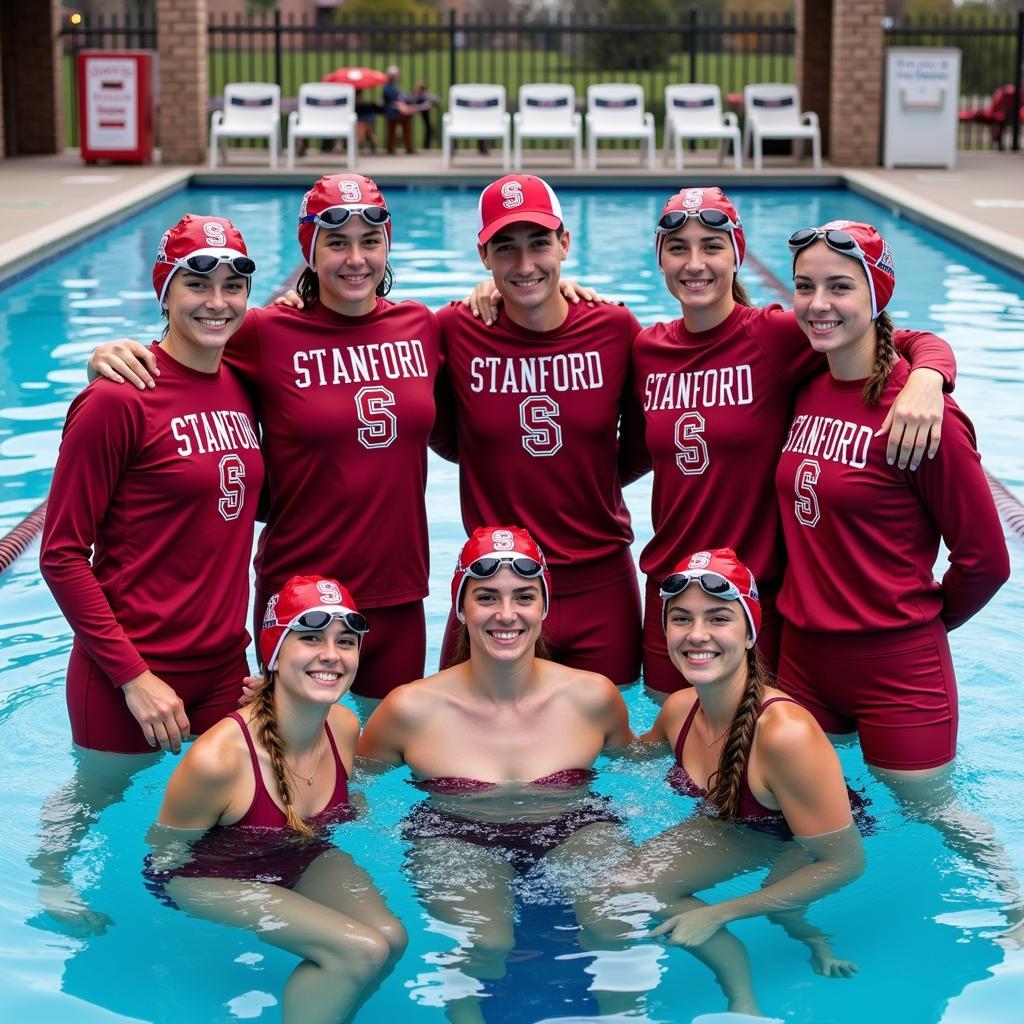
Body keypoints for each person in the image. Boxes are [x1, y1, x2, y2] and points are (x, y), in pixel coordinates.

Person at [86, 175, 443, 700]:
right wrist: (107, 357)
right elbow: (184, 354)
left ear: (387, 244)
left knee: (386, 763)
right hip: (297, 589)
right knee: (291, 770)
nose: (355, 258)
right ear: (310, 248)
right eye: (337, 242)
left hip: (399, 591)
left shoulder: (422, 327)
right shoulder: (265, 332)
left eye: (370, 240)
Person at [623, 186, 958, 696]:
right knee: (674, 750)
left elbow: (887, 330)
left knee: (758, 754)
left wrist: (931, 374)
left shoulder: (776, 336)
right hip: (669, 595)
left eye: (712, 246)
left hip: (755, 594)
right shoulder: (646, 349)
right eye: (678, 248)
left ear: (737, 253)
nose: (695, 263)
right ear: (660, 259)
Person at [33, 214, 264, 931]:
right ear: (163, 291)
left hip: (222, 663)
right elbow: (61, 553)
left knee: (224, 817)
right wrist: (134, 677)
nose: (216, 301)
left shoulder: (240, 385)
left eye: (232, 284)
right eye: (197, 283)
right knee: (98, 795)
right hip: (127, 668)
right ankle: (47, 877)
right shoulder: (114, 401)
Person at [358, 525, 634, 1022]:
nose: (506, 615)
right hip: (453, 834)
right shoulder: (410, 708)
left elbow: (646, 763)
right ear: (461, 608)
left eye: (523, 597)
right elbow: (350, 790)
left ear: (544, 606)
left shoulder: (592, 696)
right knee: (483, 942)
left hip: (577, 825)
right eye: (487, 597)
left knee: (617, 925)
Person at [776, 221, 1010, 776]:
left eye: (839, 286)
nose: (817, 304)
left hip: (898, 670)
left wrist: (914, 629)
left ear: (876, 295)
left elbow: (987, 561)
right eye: (804, 287)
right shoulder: (806, 380)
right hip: (801, 660)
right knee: (795, 822)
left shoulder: (923, 415)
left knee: (933, 826)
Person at [146, 575, 406, 1024]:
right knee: (359, 951)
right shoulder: (219, 760)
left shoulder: (343, 727)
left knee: (391, 938)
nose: (331, 655)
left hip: (294, 851)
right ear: (274, 653)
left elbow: (348, 803)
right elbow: (166, 854)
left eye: (345, 642)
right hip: (205, 875)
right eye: (310, 639)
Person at [616, 548, 864, 1015]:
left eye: (718, 619)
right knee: (625, 884)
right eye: (682, 619)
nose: (697, 635)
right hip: (735, 820)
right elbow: (628, 756)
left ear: (749, 632)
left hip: (797, 836)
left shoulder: (786, 735)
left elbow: (844, 863)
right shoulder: (679, 709)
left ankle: (755, 997)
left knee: (783, 905)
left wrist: (718, 911)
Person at [433, 174, 645, 686]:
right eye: (505, 248)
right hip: (492, 584)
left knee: (608, 756)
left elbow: (644, 444)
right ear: (484, 255)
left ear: (565, 244)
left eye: (539, 244)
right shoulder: (456, 329)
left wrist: (587, 474)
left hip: (600, 586)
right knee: (456, 761)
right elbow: (437, 431)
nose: (525, 266)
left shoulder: (614, 330)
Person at [383, 65, 416, 155]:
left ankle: (408, 148)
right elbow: (393, 100)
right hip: (393, 112)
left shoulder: (394, 86)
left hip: (399, 112)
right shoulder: (387, 87)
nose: (394, 77)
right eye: (392, 75)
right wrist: (403, 107)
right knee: (392, 131)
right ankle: (391, 148)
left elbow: (400, 98)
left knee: (405, 129)